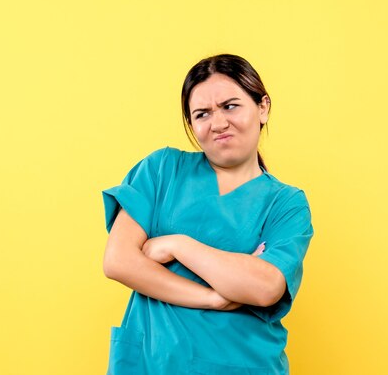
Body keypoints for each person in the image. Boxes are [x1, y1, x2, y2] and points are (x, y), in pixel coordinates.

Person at [101, 53, 315, 375]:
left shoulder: (285, 203)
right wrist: (212, 297)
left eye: (230, 106)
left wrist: (177, 245)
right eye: (202, 114)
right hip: (152, 364)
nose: (218, 123)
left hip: (244, 365)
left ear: (263, 108)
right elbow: (118, 261)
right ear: (191, 124)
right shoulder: (162, 171)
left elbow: (266, 287)